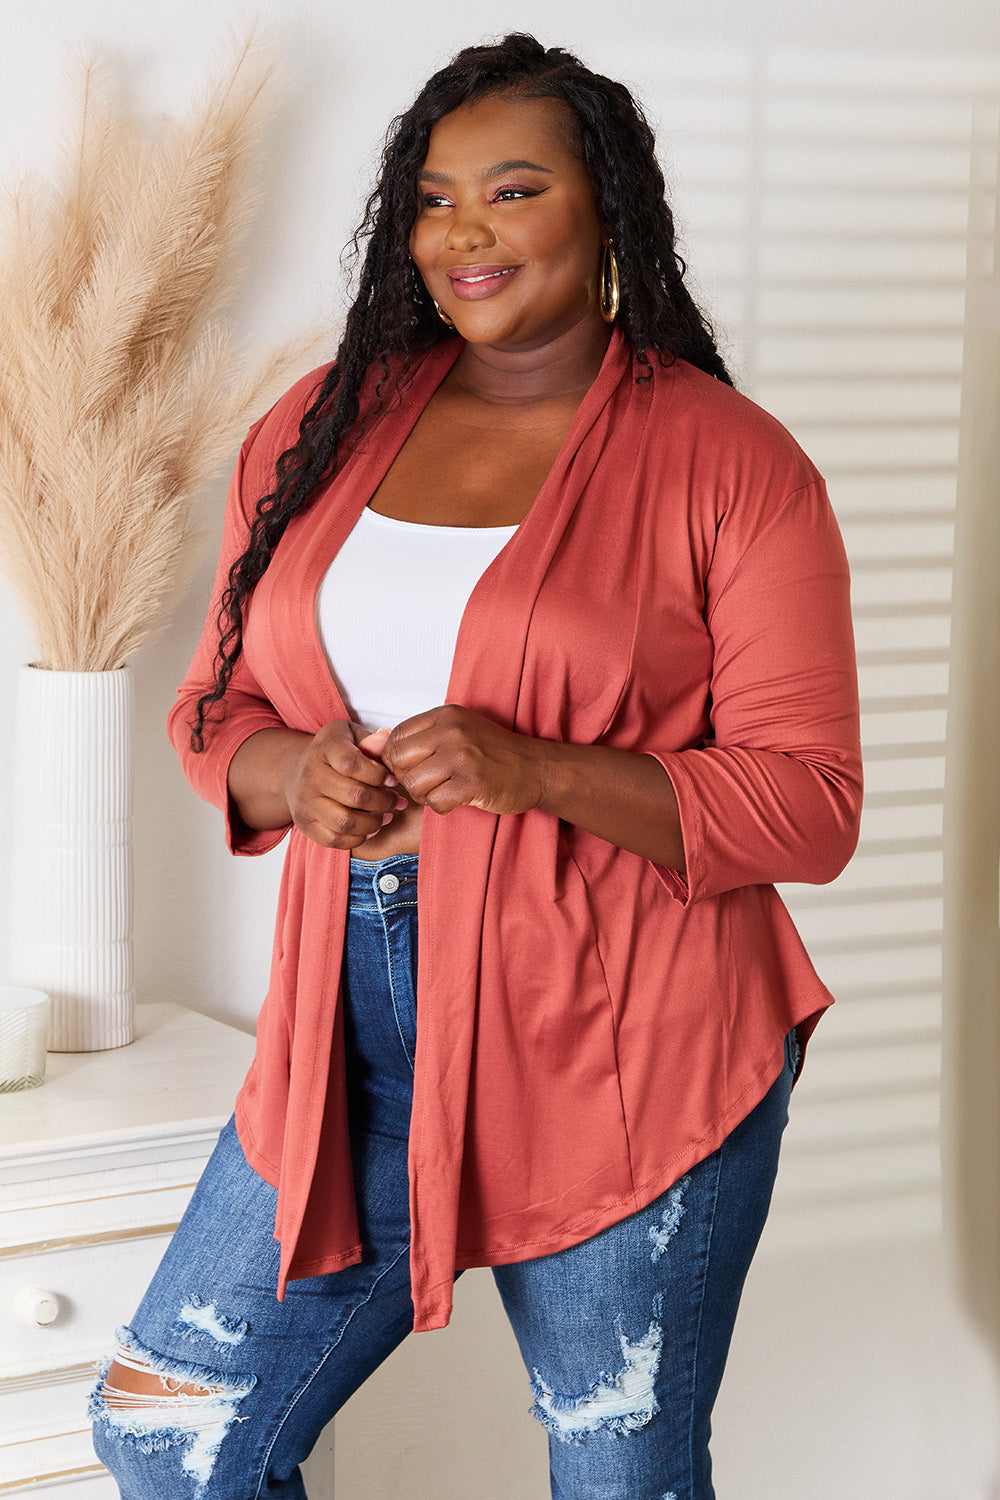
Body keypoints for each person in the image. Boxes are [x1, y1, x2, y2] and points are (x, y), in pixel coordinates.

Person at [91, 33, 862, 1500]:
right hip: (352, 1032)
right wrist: (288, 769)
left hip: (634, 1031)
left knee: (616, 1467)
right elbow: (213, 709)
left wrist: (541, 770)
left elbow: (810, 805)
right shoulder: (322, 427)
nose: (465, 233)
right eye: (437, 197)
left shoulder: (730, 460)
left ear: (608, 210)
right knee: (169, 1427)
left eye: (513, 191)